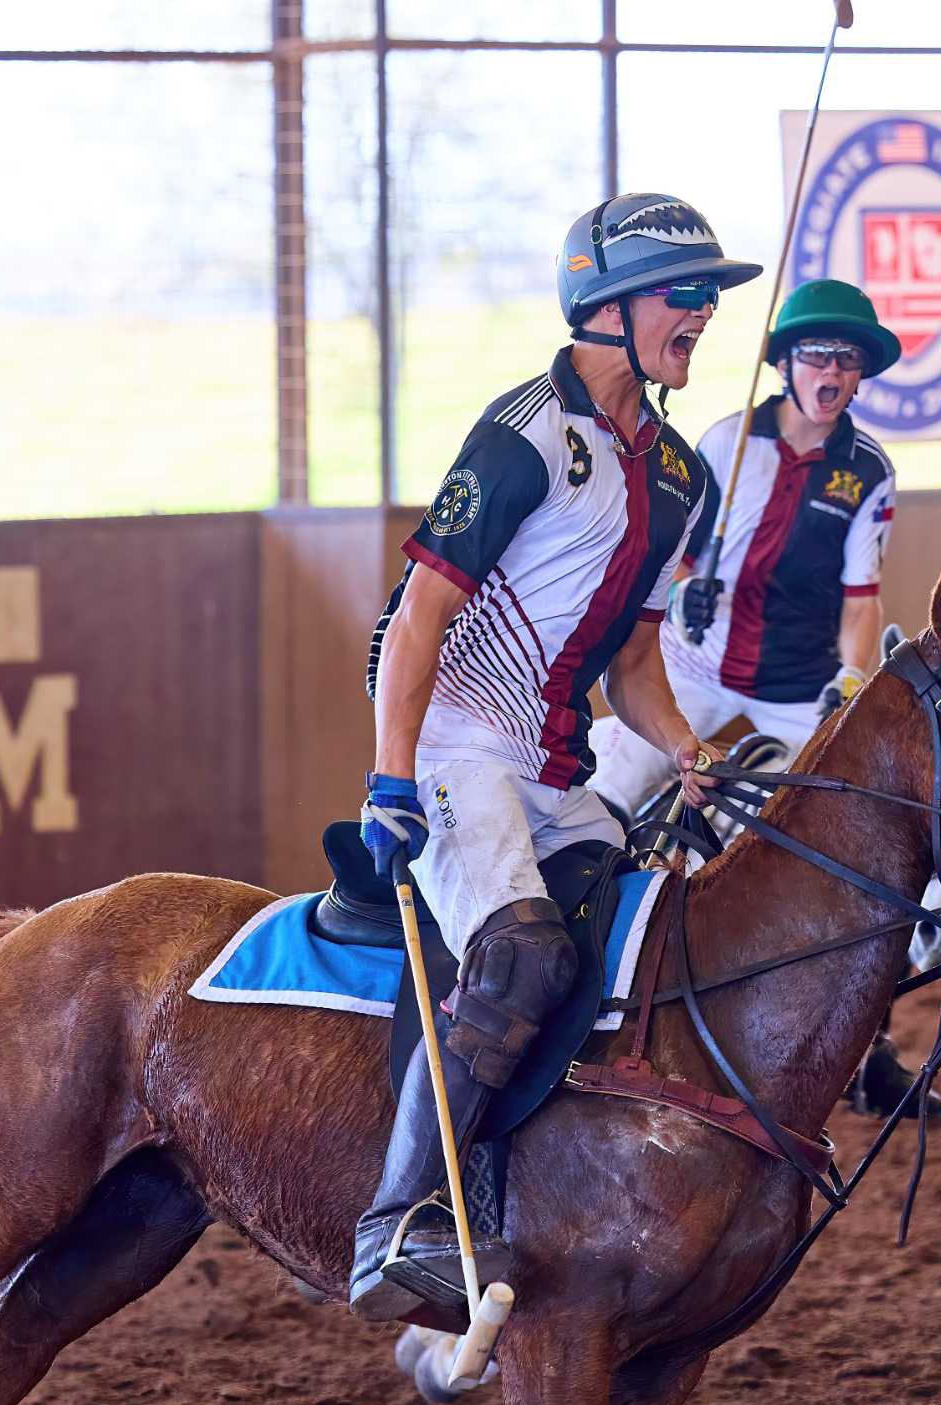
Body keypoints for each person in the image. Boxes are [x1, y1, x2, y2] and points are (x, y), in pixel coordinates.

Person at [349, 192, 760, 1320]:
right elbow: (419, 615)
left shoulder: (680, 472)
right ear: (607, 305)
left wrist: (680, 745)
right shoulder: (524, 430)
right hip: (450, 742)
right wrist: (392, 776)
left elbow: (631, 655)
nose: (703, 315)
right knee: (524, 955)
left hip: (550, 768)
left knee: (630, 932)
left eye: (710, 297)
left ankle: (542, 1179)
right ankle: (399, 1219)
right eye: (685, 294)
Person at [588, 278, 899, 820]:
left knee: (864, 816)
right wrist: (683, 599)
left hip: (801, 686)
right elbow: (672, 561)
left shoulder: (870, 470)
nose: (831, 370)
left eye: (847, 358)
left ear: (860, 375)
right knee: (607, 795)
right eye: (816, 355)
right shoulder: (726, 443)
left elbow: (860, 599)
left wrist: (851, 677)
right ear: (783, 366)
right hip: (696, 669)